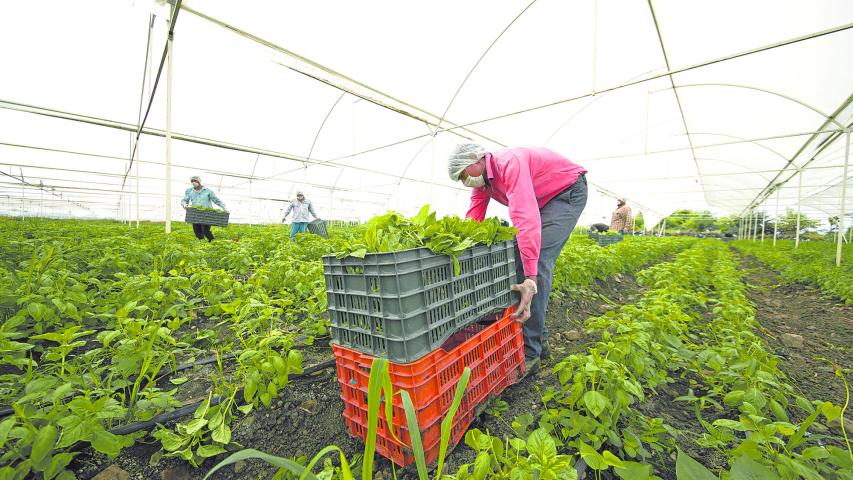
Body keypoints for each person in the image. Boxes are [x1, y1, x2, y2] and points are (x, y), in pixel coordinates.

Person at [448, 143, 588, 374]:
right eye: (460, 179)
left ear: (476, 161)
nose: (465, 182)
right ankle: (540, 341)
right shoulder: (483, 182)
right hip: (543, 200)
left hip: (566, 193)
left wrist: (530, 279)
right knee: (516, 255)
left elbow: (524, 216)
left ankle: (530, 353)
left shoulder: (509, 164)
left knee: (537, 260)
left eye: (464, 175)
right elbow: (474, 216)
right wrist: (461, 244)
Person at [181, 175, 227, 242]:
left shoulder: (207, 191)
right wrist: (185, 204)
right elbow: (184, 200)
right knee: (197, 232)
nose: (193, 182)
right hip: (195, 214)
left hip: (206, 214)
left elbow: (216, 200)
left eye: (195, 180)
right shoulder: (189, 191)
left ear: (199, 181)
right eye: (192, 181)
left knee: (205, 231)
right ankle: (203, 244)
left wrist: (224, 207)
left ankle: (213, 243)